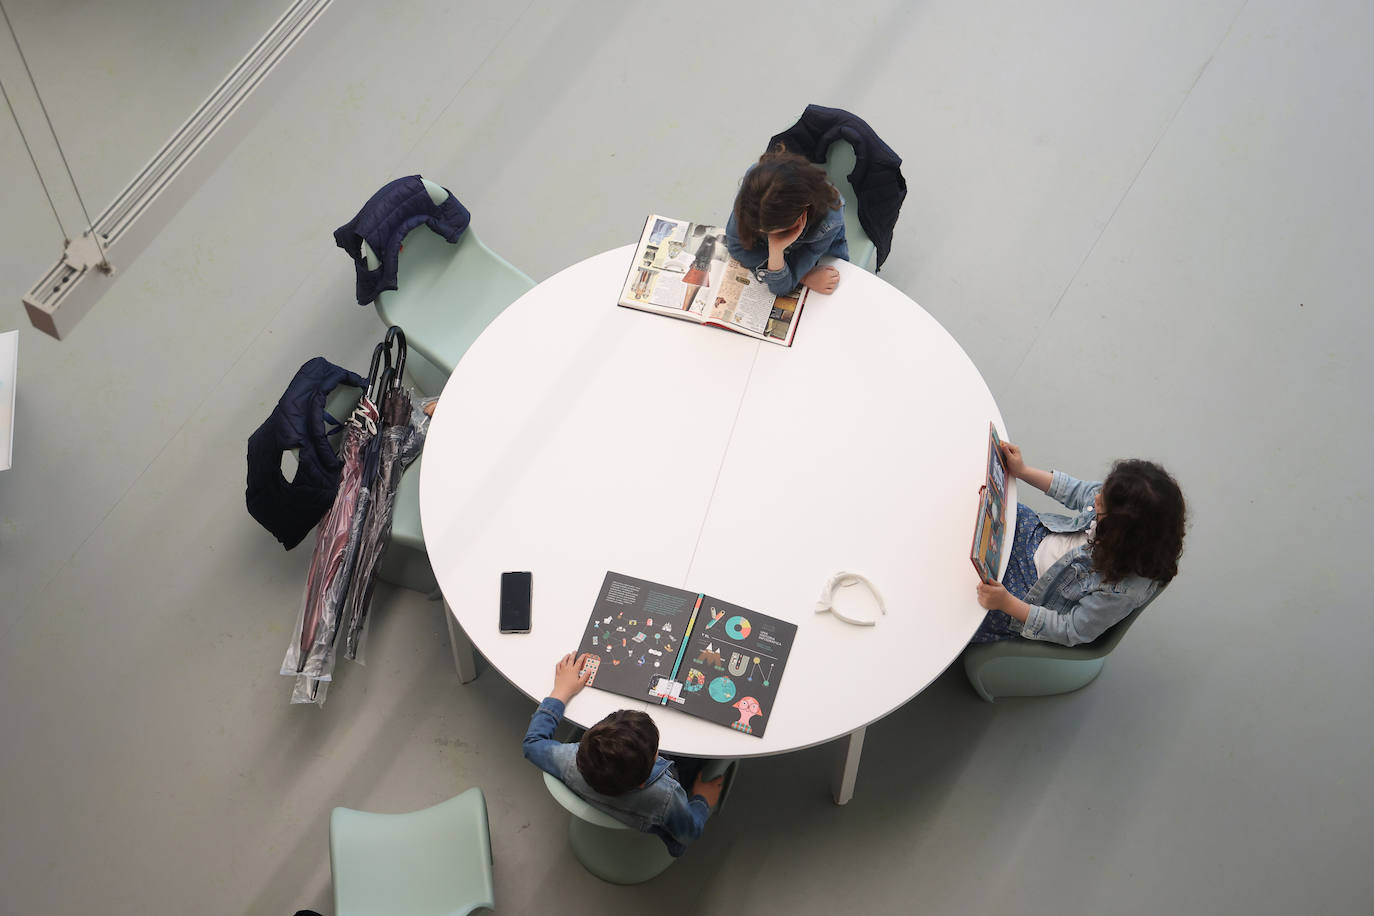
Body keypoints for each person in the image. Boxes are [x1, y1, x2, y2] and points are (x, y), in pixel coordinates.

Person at [972, 443, 1186, 647]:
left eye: (1101, 505)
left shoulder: (1120, 591)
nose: (1096, 496)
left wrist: (1006, 603)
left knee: (970, 604)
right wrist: (1023, 471)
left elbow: (1070, 629)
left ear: (1119, 533)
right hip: (1039, 535)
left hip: (1027, 592)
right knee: (981, 505)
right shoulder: (1120, 510)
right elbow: (1076, 490)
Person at [522, 652, 724, 856]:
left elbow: (532, 744)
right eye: (656, 751)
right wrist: (701, 800)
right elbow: (688, 832)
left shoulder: (569, 760)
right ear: (643, 782)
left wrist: (561, 690)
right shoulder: (666, 796)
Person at [724, 147, 848, 297]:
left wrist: (786, 267)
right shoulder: (754, 189)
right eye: (762, 231)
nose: (768, 235)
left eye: (775, 232)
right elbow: (736, 246)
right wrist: (778, 253)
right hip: (785, 255)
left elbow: (780, 288)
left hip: (823, 254)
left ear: (802, 213)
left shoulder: (830, 219)